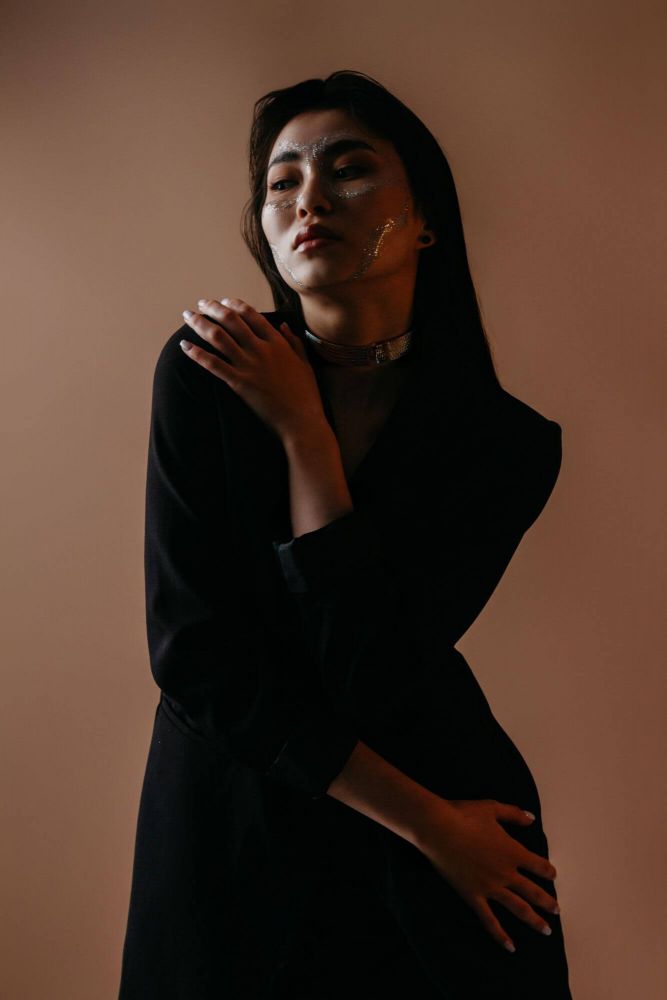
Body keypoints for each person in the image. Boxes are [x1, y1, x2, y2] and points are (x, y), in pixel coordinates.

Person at [118, 71, 573, 998]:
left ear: (427, 220)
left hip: (441, 834)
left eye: (348, 168)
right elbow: (198, 663)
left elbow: (368, 665)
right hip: (242, 828)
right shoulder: (207, 369)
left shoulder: (504, 445)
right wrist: (431, 826)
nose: (309, 199)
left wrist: (305, 440)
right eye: (281, 181)